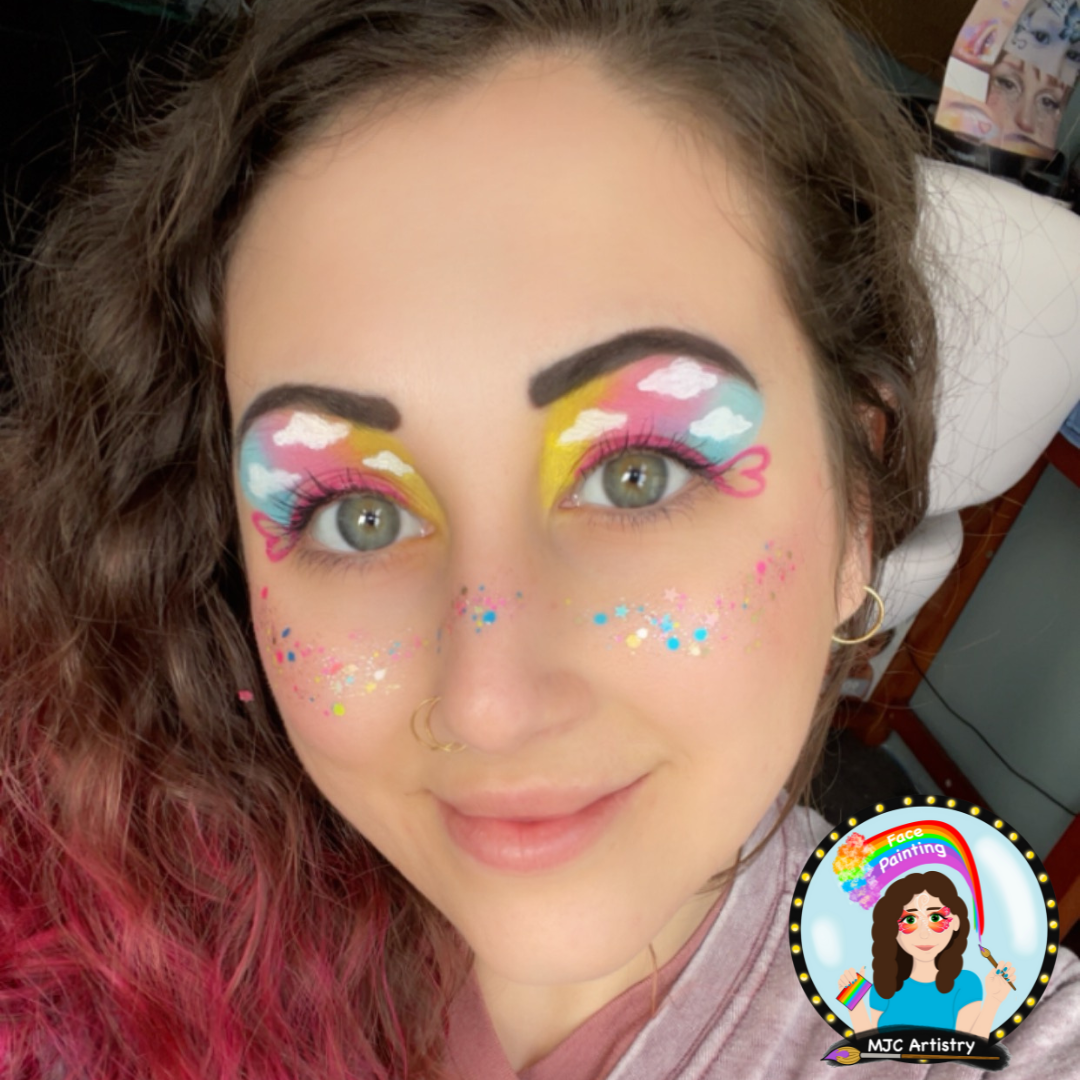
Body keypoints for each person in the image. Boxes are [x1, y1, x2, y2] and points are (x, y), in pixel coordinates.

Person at [1, 1, 1077, 1078]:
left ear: (853, 508)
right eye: (355, 513)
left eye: (635, 473)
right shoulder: (91, 895)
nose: (490, 703)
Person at [840, 871, 1016, 1038]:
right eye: (910, 920)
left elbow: (969, 1050)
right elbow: (870, 1047)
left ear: (955, 922)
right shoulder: (884, 984)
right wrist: (853, 999)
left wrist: (994, 1001)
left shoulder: (967, 984)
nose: (924, 934)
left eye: (935, 918)